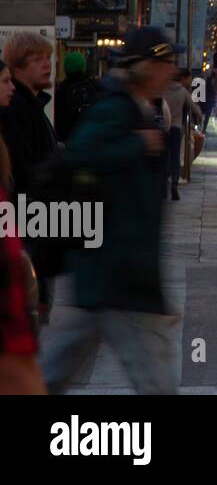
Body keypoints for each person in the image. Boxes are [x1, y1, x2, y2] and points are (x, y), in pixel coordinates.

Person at [38, 27, 180, 394]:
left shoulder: (138, 108)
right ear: (146, 67)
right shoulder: (116, 108)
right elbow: (80, 155)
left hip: (112, 271)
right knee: (156, 384)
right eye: (167, 63)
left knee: (56, 369)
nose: (172, 71)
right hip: (119, 271)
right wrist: (134, 144)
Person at [0, 33, 57, 323]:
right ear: (18, 67)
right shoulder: (17, 110)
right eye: (37, 60)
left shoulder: (33, 107)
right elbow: (25, 171)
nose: (47, 65)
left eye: (47, 58)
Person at [162, 68, 203, 201]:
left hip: (163, 128)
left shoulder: (163, 90)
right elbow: (194, 107)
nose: (191, 81)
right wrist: (200, 117)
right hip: (176, 128)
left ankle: (163, 185)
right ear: (182, 78)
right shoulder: (182, 92)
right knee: (175, 158)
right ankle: (174, 184)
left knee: (165, 156)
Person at [53, 52, 100, 143]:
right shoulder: (94, 87)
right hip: (90, 139)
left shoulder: (61, 90)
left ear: (65, 69)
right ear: (84, 67)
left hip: (68, 140)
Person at [201, 55, 217, 132]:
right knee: (206, 114)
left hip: (209, 100)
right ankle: (203, 128)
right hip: (208, 100)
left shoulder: (210, 82)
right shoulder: (209, 84)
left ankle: (203, 128)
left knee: (206, 114)